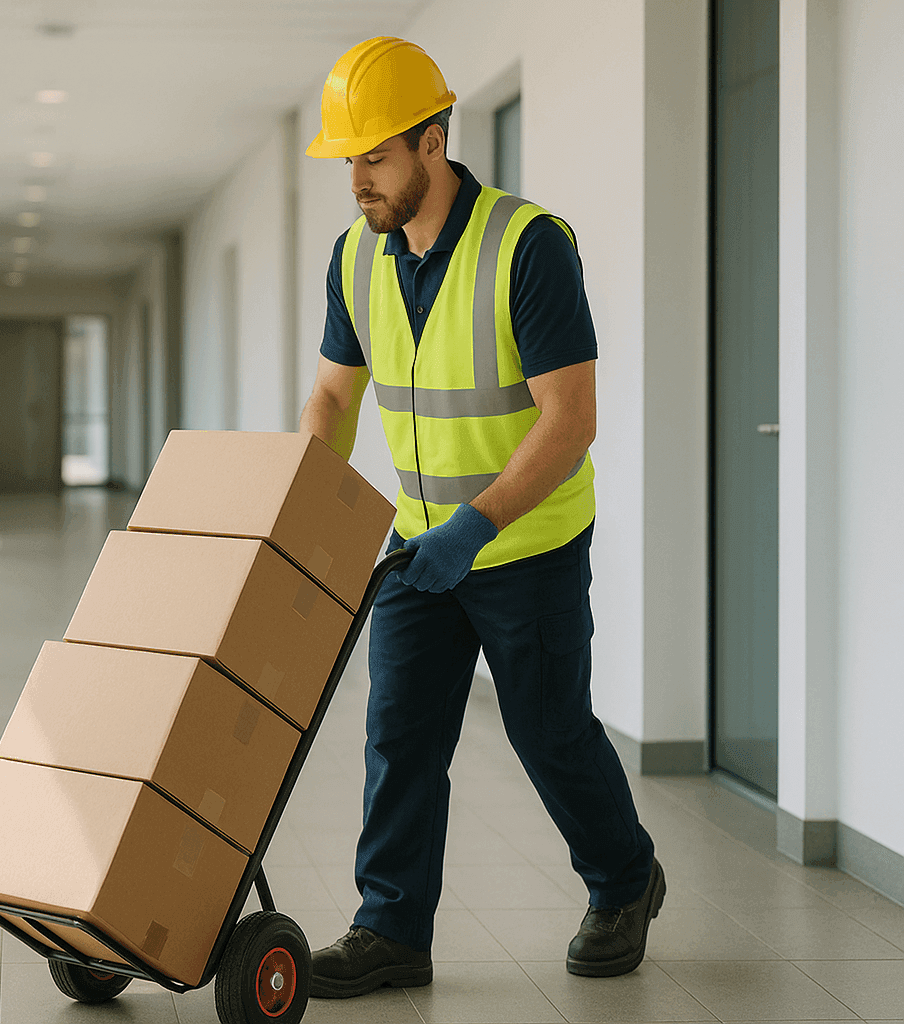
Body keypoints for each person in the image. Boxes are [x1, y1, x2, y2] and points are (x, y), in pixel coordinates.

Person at [297, 38, 664, 995]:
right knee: (400, 731)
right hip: (421, 543)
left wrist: (480, 526)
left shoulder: (528, 244)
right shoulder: (356, 257)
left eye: (373, 158)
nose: (357, 182)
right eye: (348, 160)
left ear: (433, 141)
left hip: (526, 541)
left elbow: (570, 419)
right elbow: (335, 400)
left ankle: (626, 880)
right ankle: (391, 929)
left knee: (547, 733)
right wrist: (301, 497)